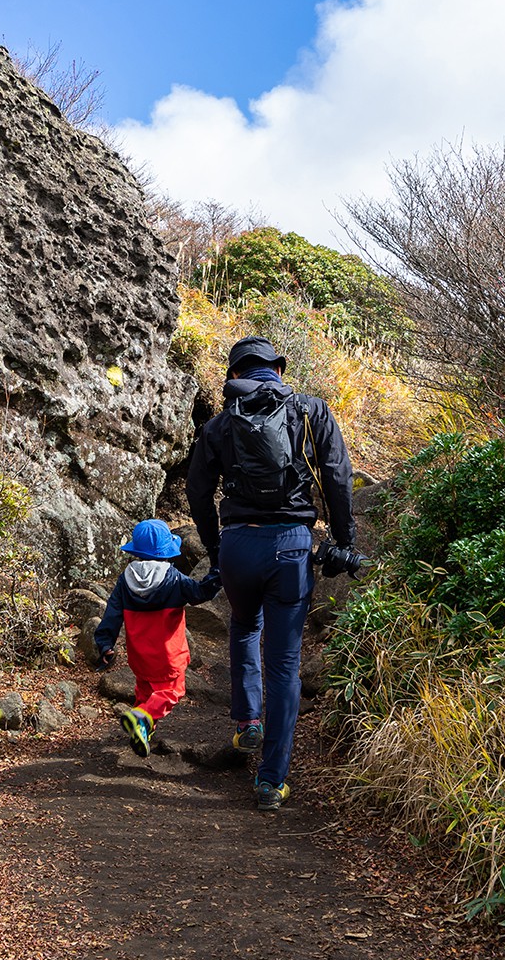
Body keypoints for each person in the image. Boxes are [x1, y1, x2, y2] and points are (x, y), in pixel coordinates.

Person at [186, 335, 357, 811]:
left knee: (243, 626)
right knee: (284, 663)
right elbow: (338, 475)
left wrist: (217, 547)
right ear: (278, 369)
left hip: (239, 543)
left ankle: (247, 723)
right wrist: (344, 541)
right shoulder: (309, 410)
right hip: (292, 547)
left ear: (234, 375)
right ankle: (271, 781)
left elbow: (198, 492)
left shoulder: (220, 424)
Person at [93, 518, 222, 757]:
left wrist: (105, 643)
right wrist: (218, 571)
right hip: (168, 655)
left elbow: (111, 613)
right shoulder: (174, 579)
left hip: (139, 656)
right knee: (172, 692)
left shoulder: (125, 580)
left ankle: (142, 732)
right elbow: (201, 593)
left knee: (145, 693)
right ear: (167, 552)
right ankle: (140, 718)